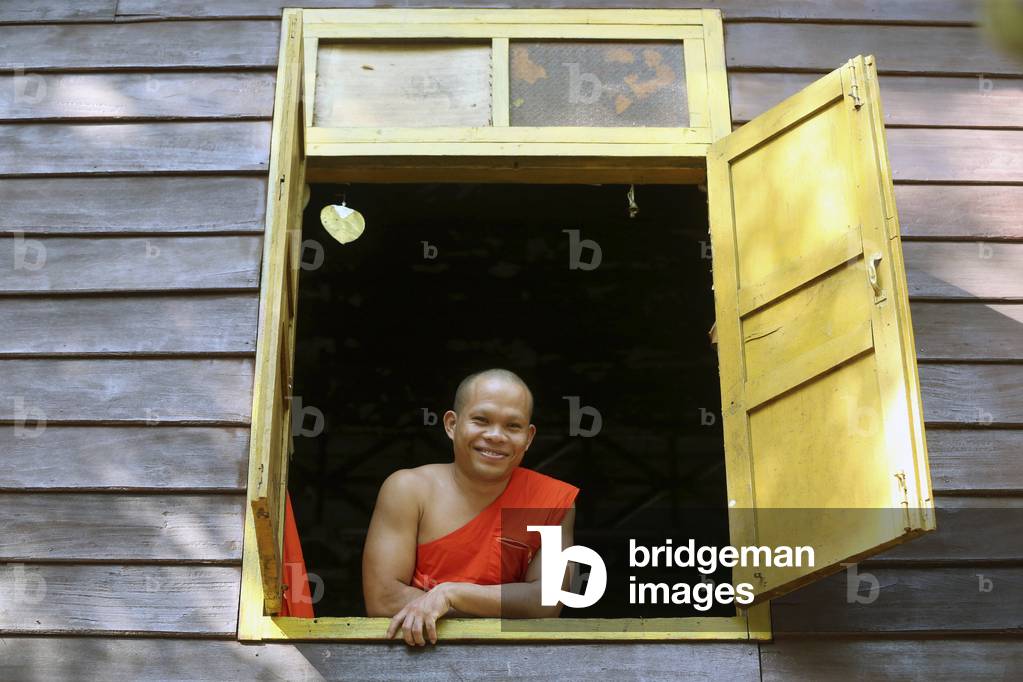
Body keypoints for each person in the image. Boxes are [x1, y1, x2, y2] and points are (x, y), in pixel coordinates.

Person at [362, 368, 579, 646]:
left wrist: (451, 595)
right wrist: (505, 607)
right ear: (452, 425)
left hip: (512, 659)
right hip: (416, 654)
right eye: (481, 420)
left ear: (528, 437)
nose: (496, 435)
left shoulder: (553, 500)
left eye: (513, 426)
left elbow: (547, 602)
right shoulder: (409, 490)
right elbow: (383, 600)